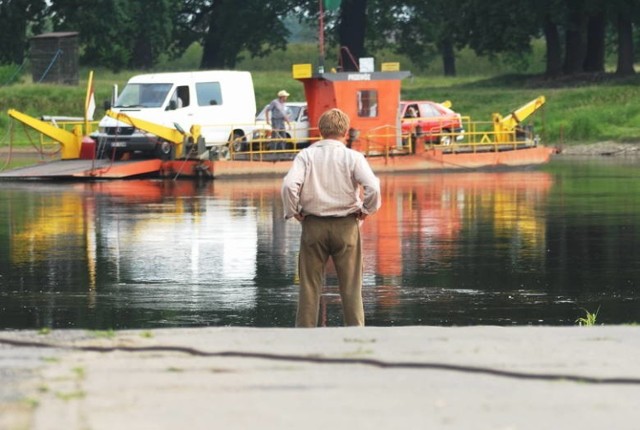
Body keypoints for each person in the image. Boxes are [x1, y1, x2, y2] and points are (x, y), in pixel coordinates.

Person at [281, 108, 382, 327]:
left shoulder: (306, 155)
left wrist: (293, 210)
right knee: (351, 287)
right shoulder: (353, 157)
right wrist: (366, 210)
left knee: (309, 286)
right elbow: (373, 186)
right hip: (346, 226)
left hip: (313, 225)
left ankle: (304, 336)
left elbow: (289, 185)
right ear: (345, 131)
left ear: (320, 130)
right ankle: (355, 336)